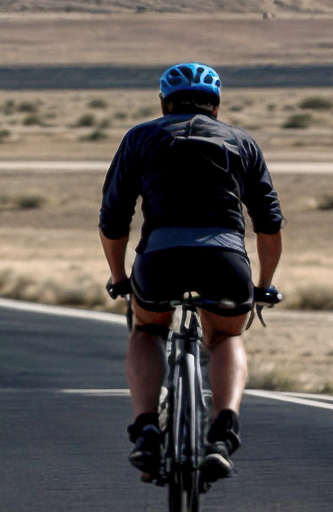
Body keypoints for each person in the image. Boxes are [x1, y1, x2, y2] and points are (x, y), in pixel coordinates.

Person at [98, 62, 283, 482]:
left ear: (164, 103)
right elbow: (269, 224)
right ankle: (223, 431)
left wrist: (120, 277)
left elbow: (113, 220)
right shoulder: (242, 142)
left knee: (146, 330)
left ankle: (146, 429)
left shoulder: (141, 137)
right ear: (216, 107)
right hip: (226, 261)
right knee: (227, 335)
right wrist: (264, 287)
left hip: (160, 259)